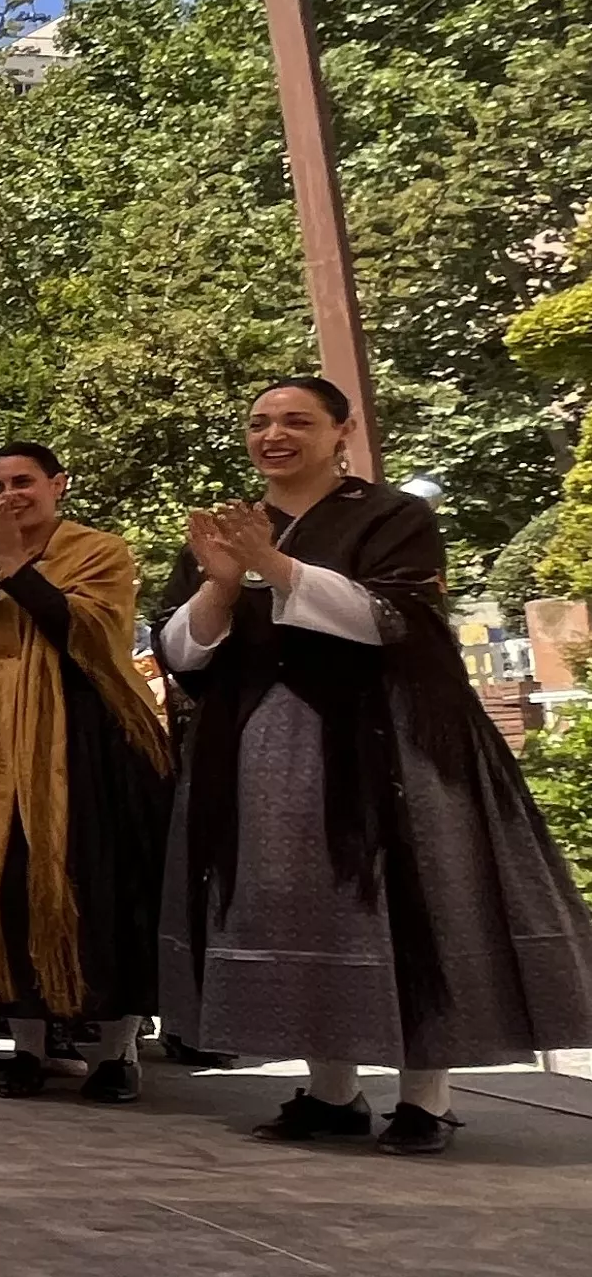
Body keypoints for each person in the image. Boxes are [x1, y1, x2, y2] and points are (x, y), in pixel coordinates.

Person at [159, 376, 592, 1154]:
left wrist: (279, 569)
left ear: (341, 432)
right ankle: (332, 1090)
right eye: (259, 423)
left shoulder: (392, 516)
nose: (273, 435)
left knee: (404, 901)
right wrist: (223, 584)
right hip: (263, 744)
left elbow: (394, 620)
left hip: (387, 738)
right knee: (299, 908)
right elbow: (182, 653)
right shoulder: (231, 528)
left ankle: (424, 1098)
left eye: (295, 421)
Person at [0, 442, 171, 1104]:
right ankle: (25, 1050)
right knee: (5, 892)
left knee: (99, 896)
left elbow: (84, 633)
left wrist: (19, 567)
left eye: (23, 481)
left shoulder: (99, 551)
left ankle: (116, 1055)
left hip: (85, 744)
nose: (9, 493)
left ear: (58, 483)